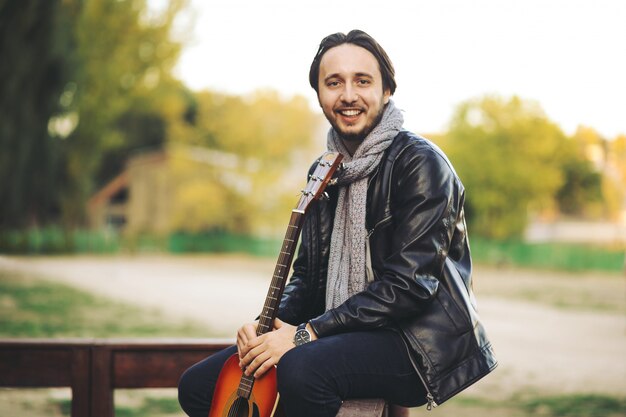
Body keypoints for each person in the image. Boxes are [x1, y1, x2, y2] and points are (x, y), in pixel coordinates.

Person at [178, 29, 497, 417]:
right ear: (319, 94)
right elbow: (308, 274)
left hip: (416, 341)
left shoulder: (421, 164)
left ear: (386, 91)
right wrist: (267, 329)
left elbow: (409, 286)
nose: (348, 94)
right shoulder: (324, 170)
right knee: (198, 386)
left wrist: (303, 335)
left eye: (362, 81)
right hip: (338, 330)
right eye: (334, 82)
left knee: (303, 368)